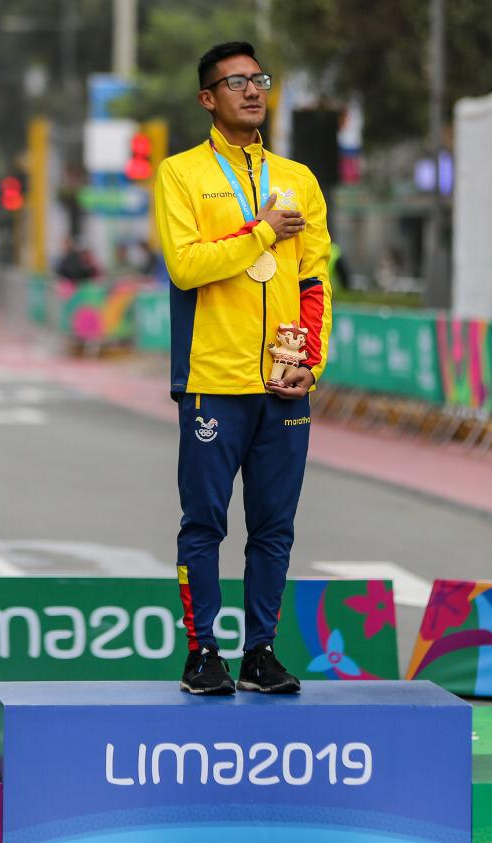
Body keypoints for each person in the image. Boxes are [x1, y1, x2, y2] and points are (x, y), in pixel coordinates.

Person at [154, 41, 332, 695]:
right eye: (235, 83)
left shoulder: (300, 178)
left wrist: (310, 364)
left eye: (259, 79)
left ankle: (261, 649)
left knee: (275, 526)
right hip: (212, 379)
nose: (252, 91)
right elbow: (185, 265)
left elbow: (315, 278)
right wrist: (258, 231)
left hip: (282, 383)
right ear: (208, 98)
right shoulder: (181, 175)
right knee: (204, 524)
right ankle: (203, 652)